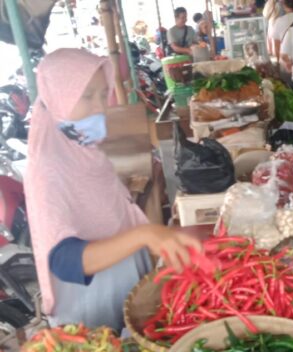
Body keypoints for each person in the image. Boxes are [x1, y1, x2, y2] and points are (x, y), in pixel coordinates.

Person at [25, 49, 201, 332]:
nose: (100, 107)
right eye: (86, 96)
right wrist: (144, 234)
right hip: (90, 309)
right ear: (60, 96)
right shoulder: (47, 167)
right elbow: (64, 260)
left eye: (102, 94)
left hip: (122, 286)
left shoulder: (82, 150)